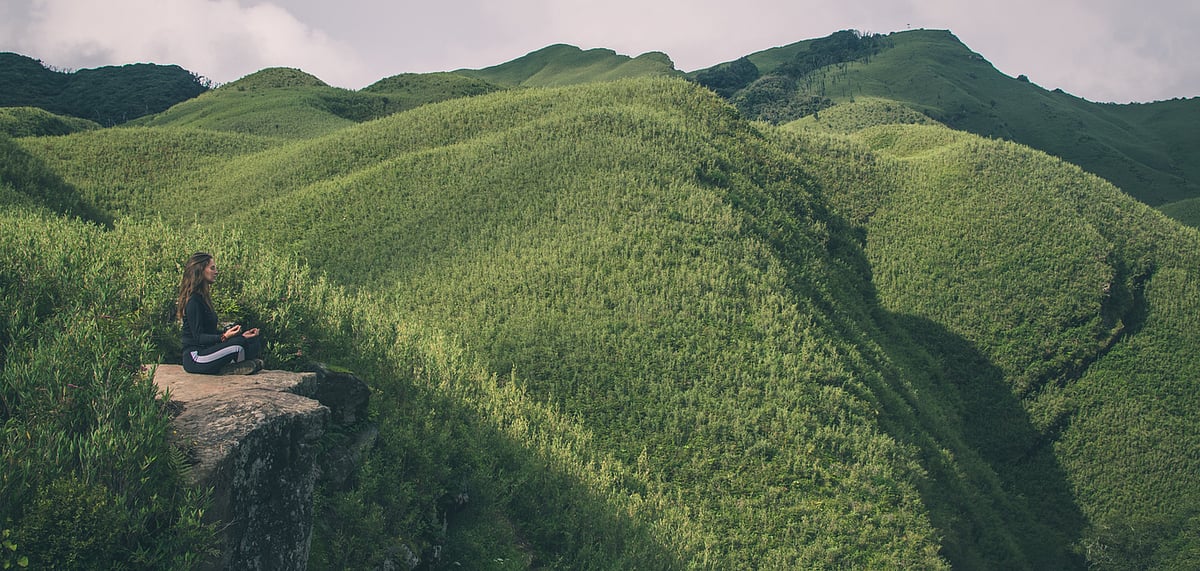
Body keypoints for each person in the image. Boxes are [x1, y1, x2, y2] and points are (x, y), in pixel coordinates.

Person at [176, 252, 263, 375]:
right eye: (212, 268)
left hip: (208, 351)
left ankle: (234, 366)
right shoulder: (193, 301)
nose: (216, 272)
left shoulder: (203, 298)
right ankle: (235, 367)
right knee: (239, 345)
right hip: (195, 357)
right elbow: (198, 337)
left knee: (250, 340)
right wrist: (224, 337)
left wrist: (238, 335)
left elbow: (210, 333)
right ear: (200, 271)